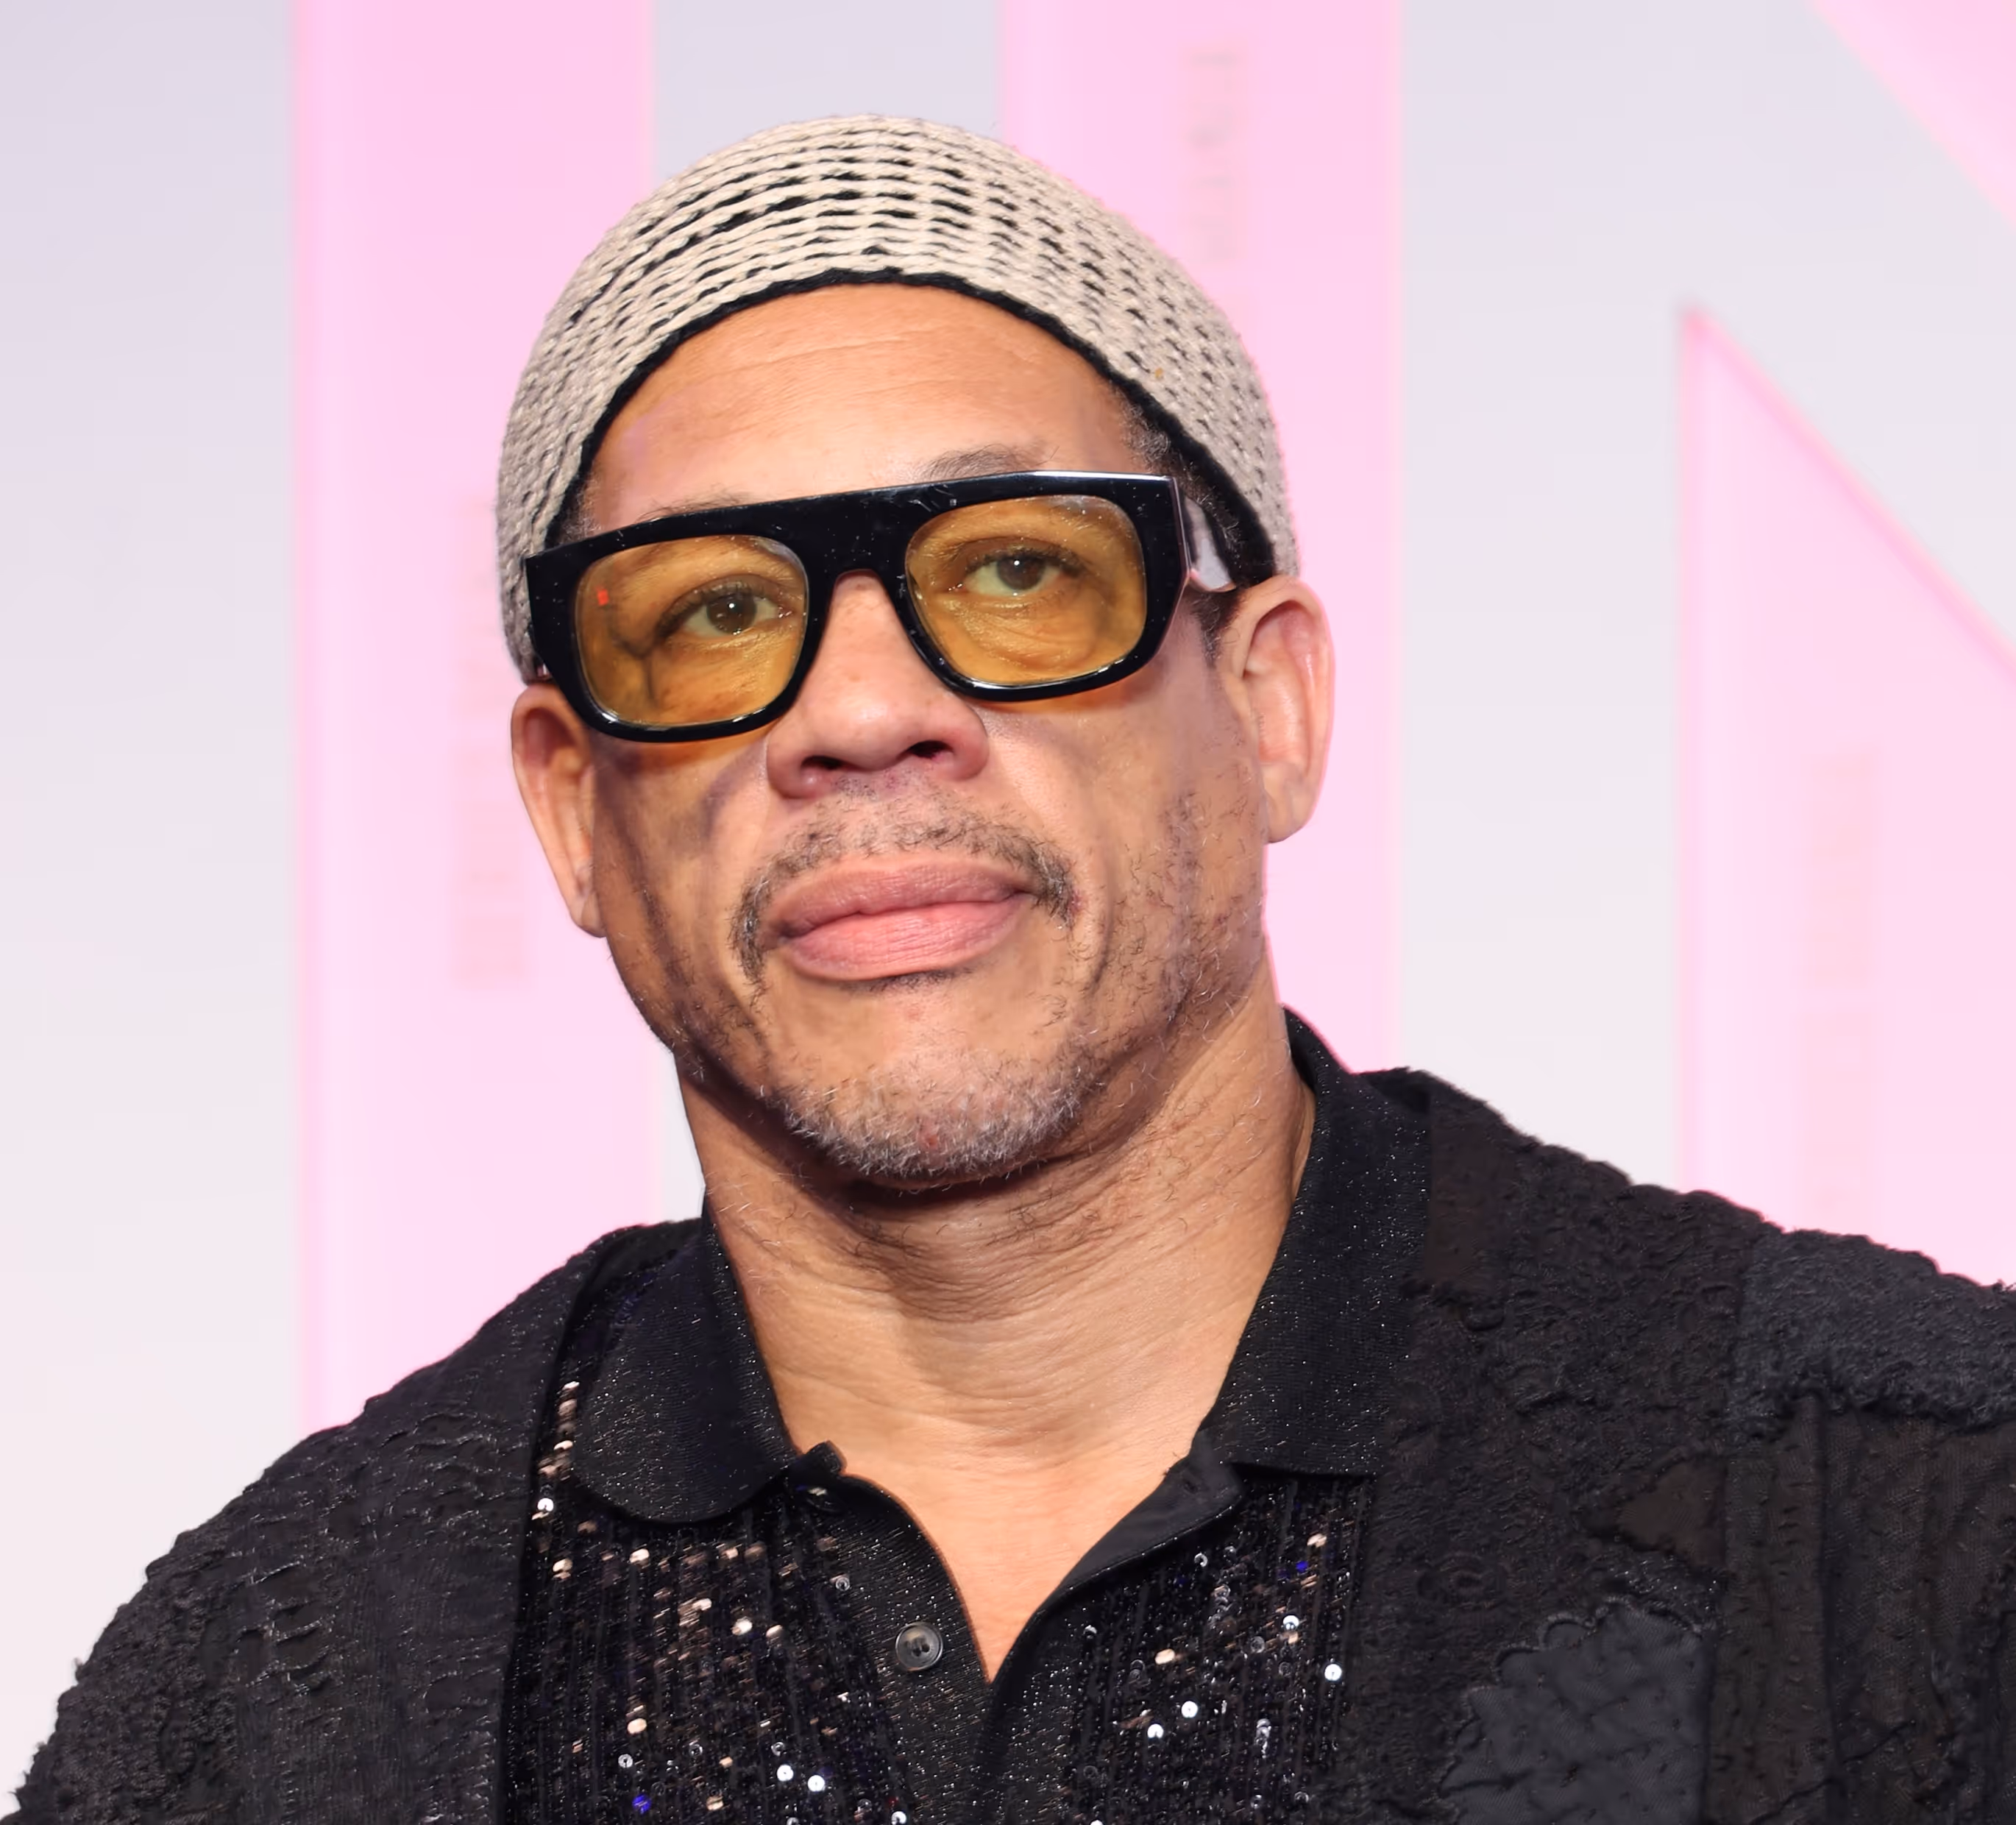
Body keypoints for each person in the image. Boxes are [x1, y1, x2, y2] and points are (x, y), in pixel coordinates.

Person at [15, 116, 2016, 1825]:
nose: (860, 711)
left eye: (1012, 574)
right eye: (712, 617)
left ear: (1269, 706)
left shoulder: (1914, 1517)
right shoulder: (282, 1689)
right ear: (568, 810)